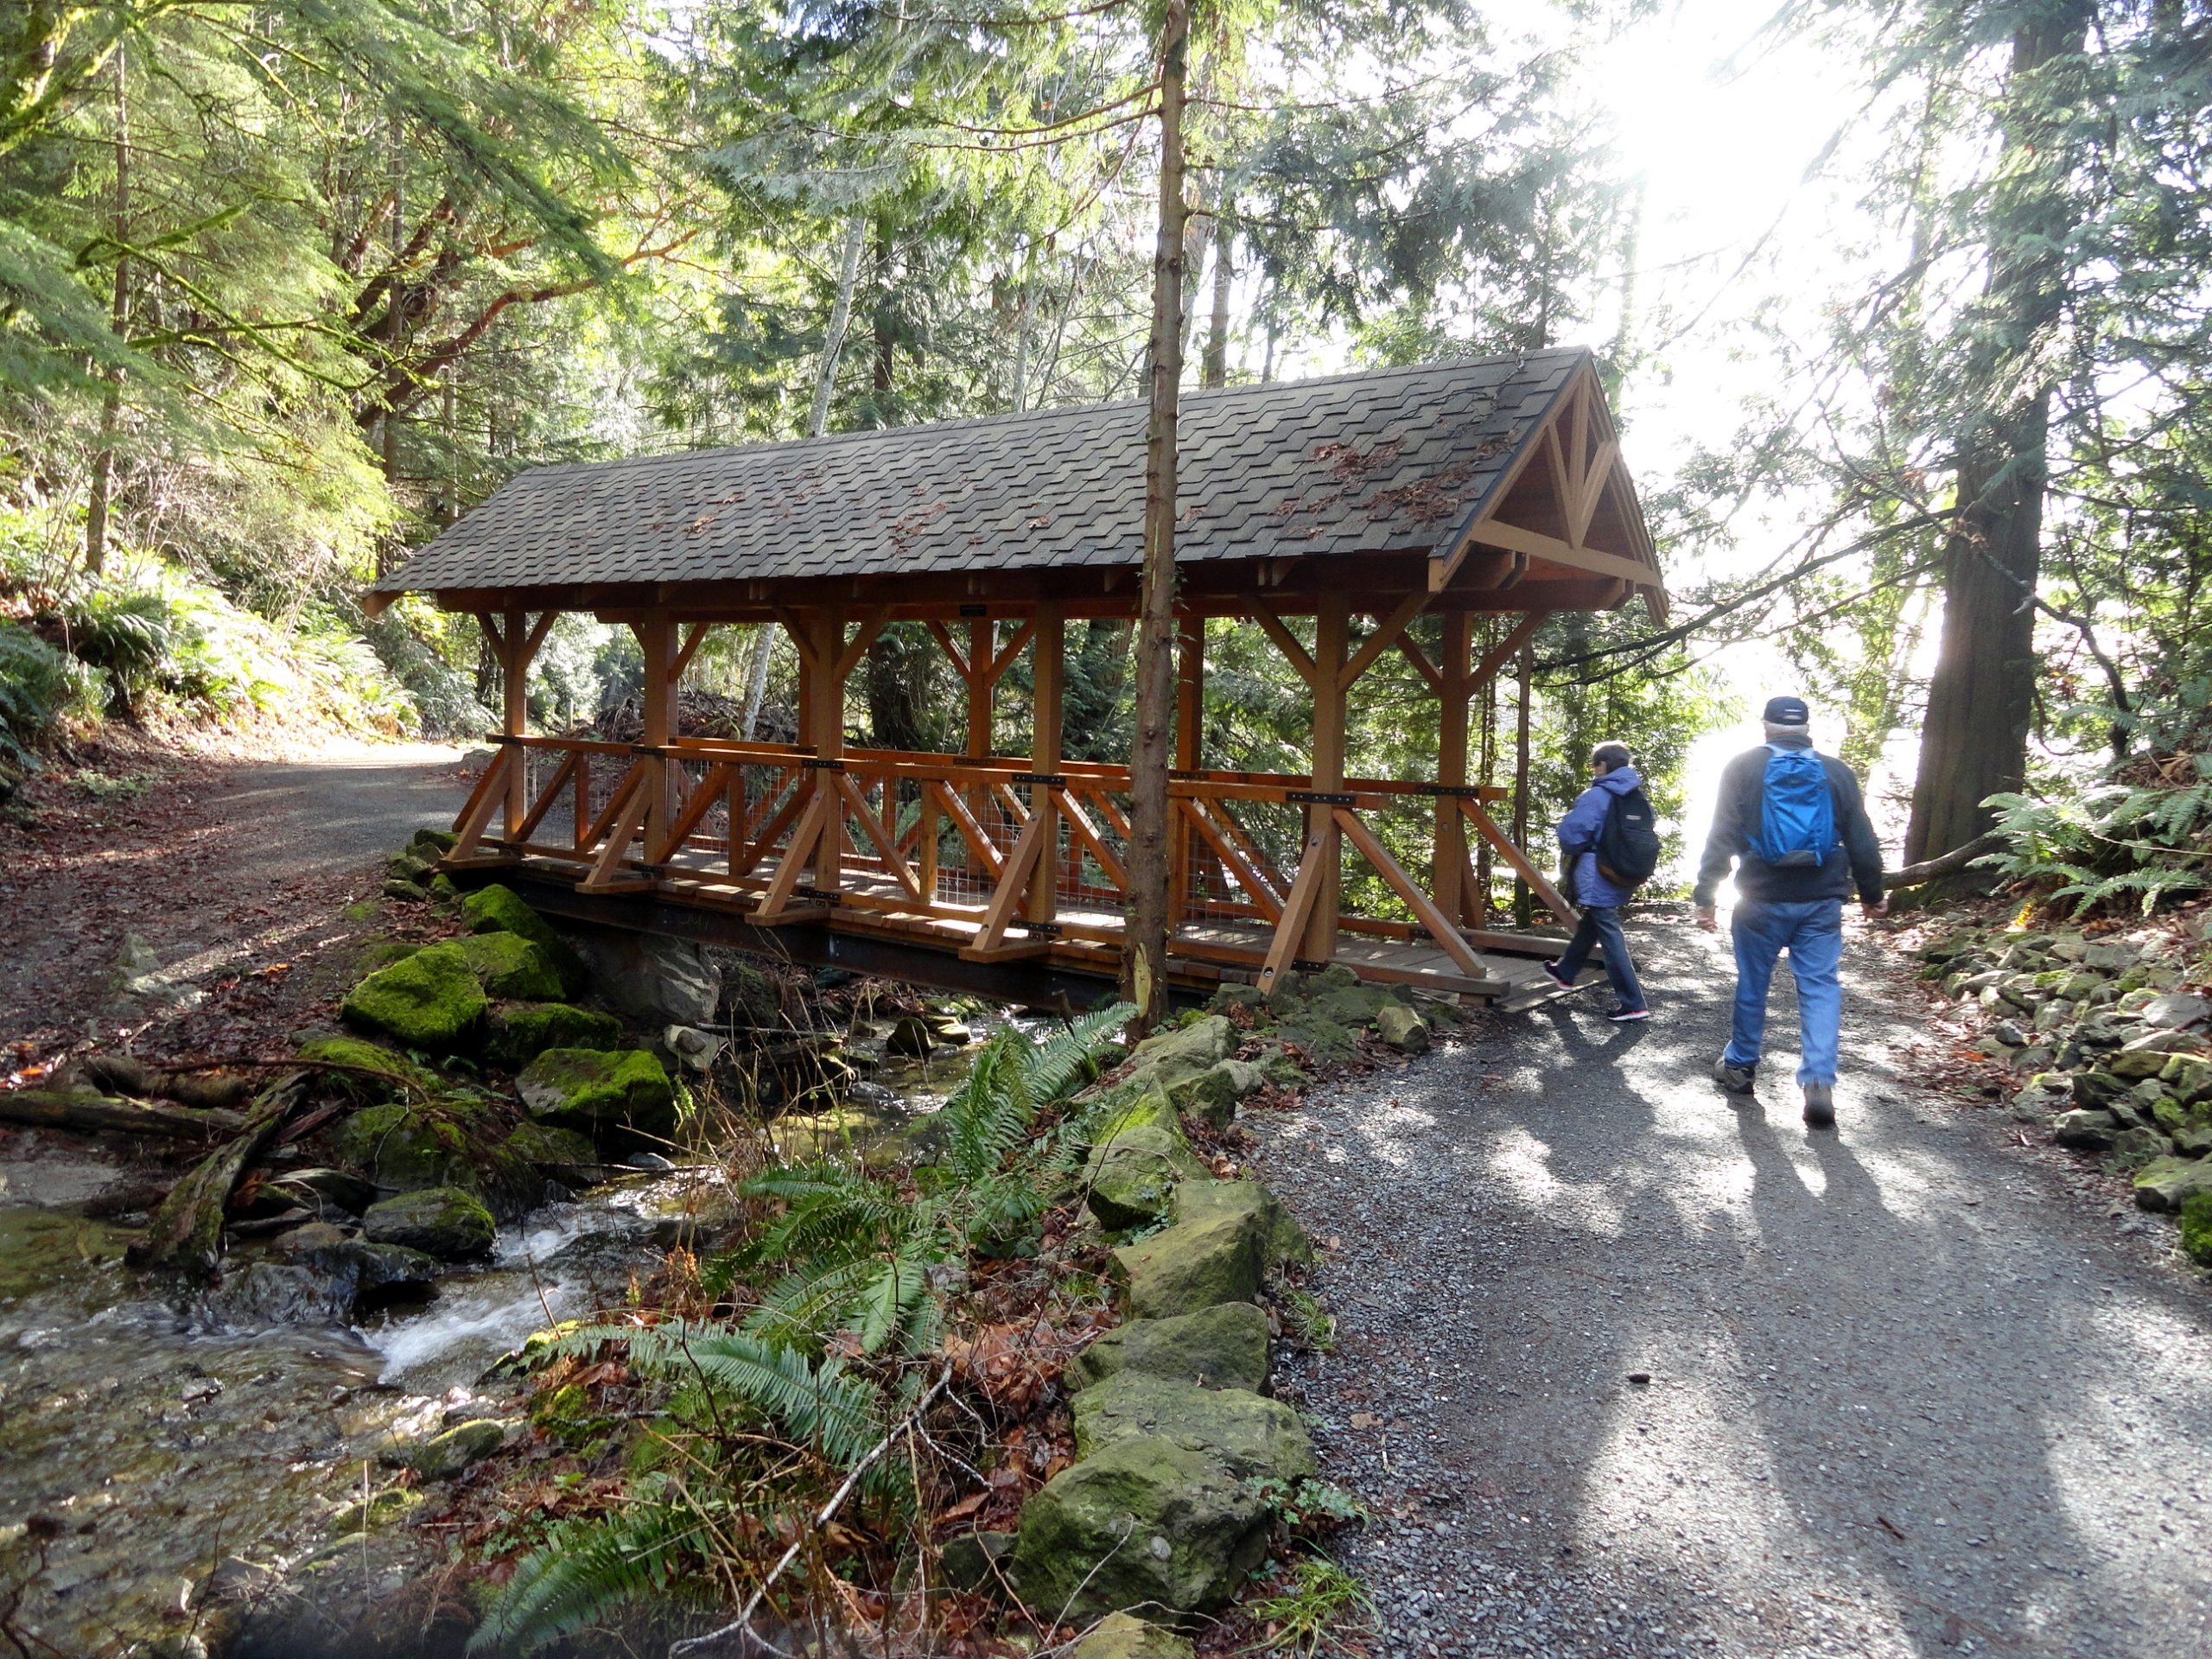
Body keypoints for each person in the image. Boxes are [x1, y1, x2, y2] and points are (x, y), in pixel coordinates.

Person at [1692, 696, 1886, 1128]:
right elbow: (1861, 836)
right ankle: (1818, 1081)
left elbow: (1721, 833)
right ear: (1806, 728)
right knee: (1820, 986)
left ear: (1766, 726)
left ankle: (1740, 1066)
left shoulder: (1743, 767)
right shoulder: (1835, 771)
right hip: (1820, 900)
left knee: (1754, 981)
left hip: (1760, 899)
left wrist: (1706, 895)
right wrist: (1872, 893)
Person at [1542, 741, 1650, 1022]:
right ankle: (1565, 972)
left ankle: (1633, 1003)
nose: (1593, 769)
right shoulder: (1635, 796)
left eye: (1594, 764)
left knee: (1609, 931)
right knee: (1595, 920)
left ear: (1603, 765)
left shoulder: (1597, 795)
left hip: (1598, 871)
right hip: (1623, 871)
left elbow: (1572, 835)